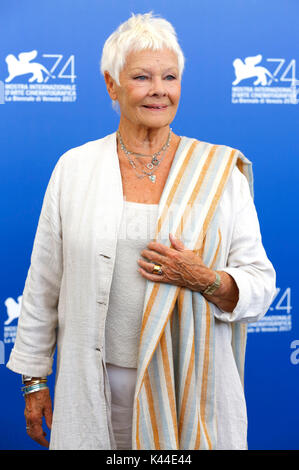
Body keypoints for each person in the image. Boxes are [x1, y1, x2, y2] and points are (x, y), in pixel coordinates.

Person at [7, 12, 276, 450]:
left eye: (170, 77)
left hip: (190, 384)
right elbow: (43, 284)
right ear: (111, 84)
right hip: (95, 385)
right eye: (142, 77)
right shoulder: (75, 168)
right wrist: (34, 380)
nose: (159, 90)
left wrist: (205, 278)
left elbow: (261, 283)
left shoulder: (220, 173)